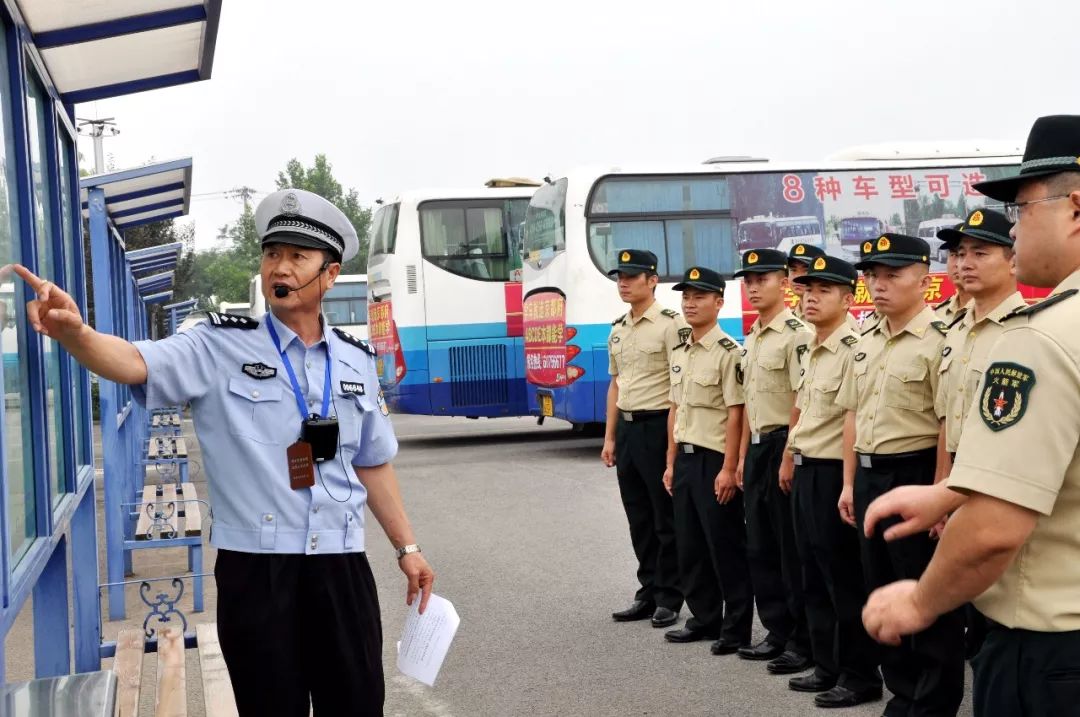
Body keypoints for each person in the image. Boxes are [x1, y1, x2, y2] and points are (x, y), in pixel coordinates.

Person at [12, 188, 434, 716]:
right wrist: (76, 334)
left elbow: (372, 460)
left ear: (329, 274)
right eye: (271, 254)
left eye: (296, 257)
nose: (279, 268)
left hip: (341, 567)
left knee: (357, 703)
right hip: (257, 572)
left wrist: (406, 547)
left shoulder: (354, 360)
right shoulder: (216, 345)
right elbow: (135, 362)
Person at [861, 114, 1080, 716]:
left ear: (1076, 207)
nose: (1016, 230)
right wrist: (952, 490)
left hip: (1052, 646)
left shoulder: (1047, 336)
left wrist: (920, 602)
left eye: (1021, 210)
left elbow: (997, 528)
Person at [835, 233, 964, 716]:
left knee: (925, 591)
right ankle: (902, 693)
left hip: (916, 477)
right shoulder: (864, 339)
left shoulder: (940, 341)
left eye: (892, 275)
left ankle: (933, 701)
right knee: (882, 587)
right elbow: (853, 415)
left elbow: (945, 425)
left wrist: (941, 495)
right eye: (872, 276)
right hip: (869, 476)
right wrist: (849, 483)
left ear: (923, 278)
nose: (879, 285)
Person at [786, 255, 883, 708]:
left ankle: (859, 673)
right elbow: (803, 411)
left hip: (831, 474)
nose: (810, 297)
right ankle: (826, 664)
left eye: (823, 290)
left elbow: (853, 420)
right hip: (806, 469)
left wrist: (847, 484)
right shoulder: (811, 346)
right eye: (806, 290)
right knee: (812, 573)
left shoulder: (854, 348)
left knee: (842, 578)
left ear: (848, 298)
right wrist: (789, 456)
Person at [661, 266, 754, 655]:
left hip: (715, 459)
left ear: (719, 302)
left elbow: (737, 413)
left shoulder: (729, 353)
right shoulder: (681, 350)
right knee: (691, 544)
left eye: (699, 296)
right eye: (686, 296)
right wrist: (669, 463)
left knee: (724, 545)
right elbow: (675, 409)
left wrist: (730, 468)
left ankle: (735, 629)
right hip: (684, 459)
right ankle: (703, 618)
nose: (690, 303)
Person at [733, 249, 813, 675]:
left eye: (761, 279)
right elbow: (748, 402)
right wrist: (744, 457)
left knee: (788, 548)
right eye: (748, 280)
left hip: (784, 444)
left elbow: (801, 397)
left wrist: (787, 454)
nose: (753, 286)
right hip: (759, 446)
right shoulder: (753, 336)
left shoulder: (796, 333)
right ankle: (777, 631)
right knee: (760, 545)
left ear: (783, 281)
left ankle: (802, 640)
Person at [602, 249, 686, 628]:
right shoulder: (618, 327)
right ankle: (647, 590)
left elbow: (679, 386)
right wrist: (610, 437)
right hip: (629, 429)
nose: (623, 282)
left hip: (658, 426)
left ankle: (670, 595)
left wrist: (672, 447)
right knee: (638, 517)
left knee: (664, 517)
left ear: (652, 281)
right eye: (620, 275)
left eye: (632, 276)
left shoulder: (671, 324)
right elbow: (615, 383)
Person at [933, 240, 971, 323]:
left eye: (979, 254)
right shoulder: (940, 311)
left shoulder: (992, 309)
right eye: (953, 255)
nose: (958, 264)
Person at [787, 243, 827, 321]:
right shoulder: (789, 318)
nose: (797, 277)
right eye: (793, 270)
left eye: (806, 270)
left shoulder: (836, 318)